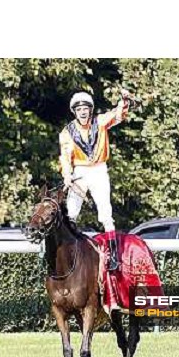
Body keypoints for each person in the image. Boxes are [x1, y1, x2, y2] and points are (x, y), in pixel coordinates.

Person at [59, 88, 132, 270]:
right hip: (80, 171)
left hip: (99, 169)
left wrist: (124, 100)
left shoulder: (99, 122)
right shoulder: (66, 133)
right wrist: (67, 175)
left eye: (85, 108)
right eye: (79, 109)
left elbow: (117, 115)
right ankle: (70, 252)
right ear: (74, 112)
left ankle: (114, 257)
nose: (83, 112)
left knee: (105, 213)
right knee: (72, 212)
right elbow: (65, 156)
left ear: (90, 109)